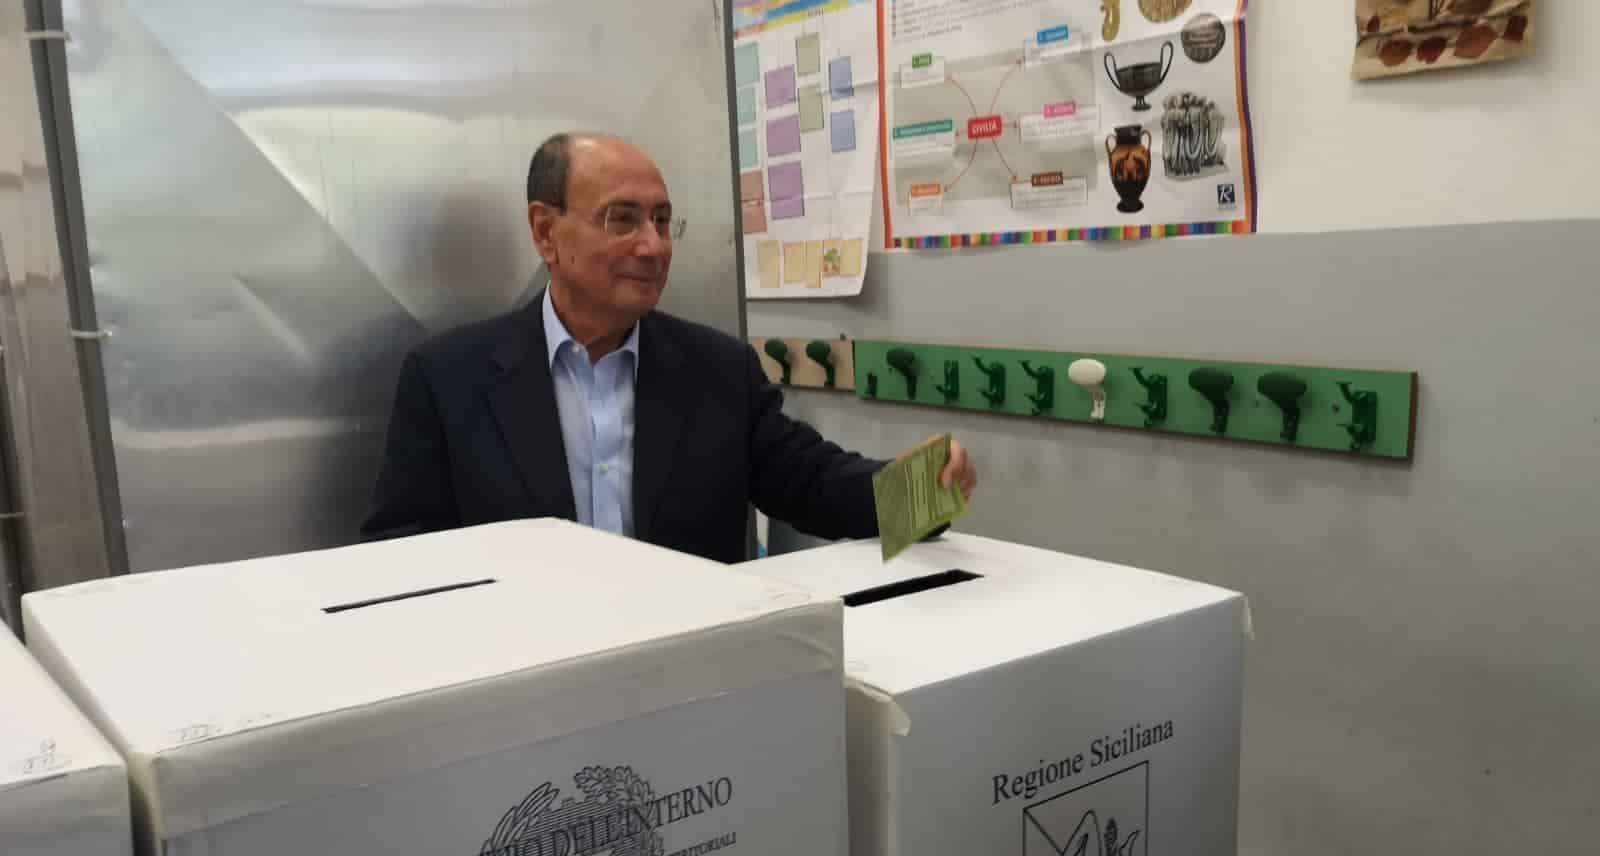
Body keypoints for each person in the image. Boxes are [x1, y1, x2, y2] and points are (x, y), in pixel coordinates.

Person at [362, 133, 976, 562]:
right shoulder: (449, 381)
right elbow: (402, 558)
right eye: (622, 219)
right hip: (526, 684)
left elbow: (813, 487)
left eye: (661, 220)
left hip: (692, 681)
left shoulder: (718, 371)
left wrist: (924, 489)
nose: (653, 246)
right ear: (546, 232)